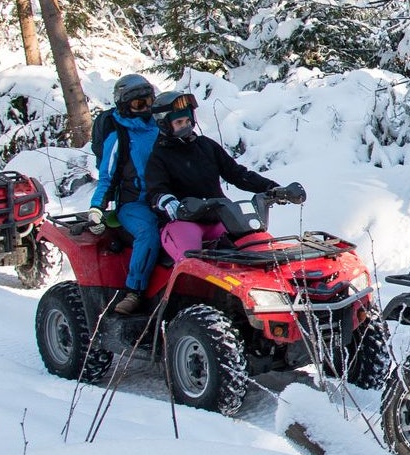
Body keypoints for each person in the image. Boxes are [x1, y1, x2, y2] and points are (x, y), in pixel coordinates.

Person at [145, 91, 281, 262]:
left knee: (258, 249)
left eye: (188, 120)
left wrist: (271, 187)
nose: (186, 126)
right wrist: (167, 201)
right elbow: (156, 189)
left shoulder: (206, 146)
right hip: (184, 222)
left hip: (219, 217)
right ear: (164, 124)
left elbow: (237, 174)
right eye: (179, 122)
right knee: (193, 262)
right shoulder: (159, 156)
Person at [88, 74, 160, 315]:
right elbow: (107, 176)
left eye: (150, 101)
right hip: (133, 203)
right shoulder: (118, 136)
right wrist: (97, 207)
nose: (147, 109)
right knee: (148, 231)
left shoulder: (161, 128)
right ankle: (134, 291)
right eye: (139, 104)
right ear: (125, 106)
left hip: (164, 197)